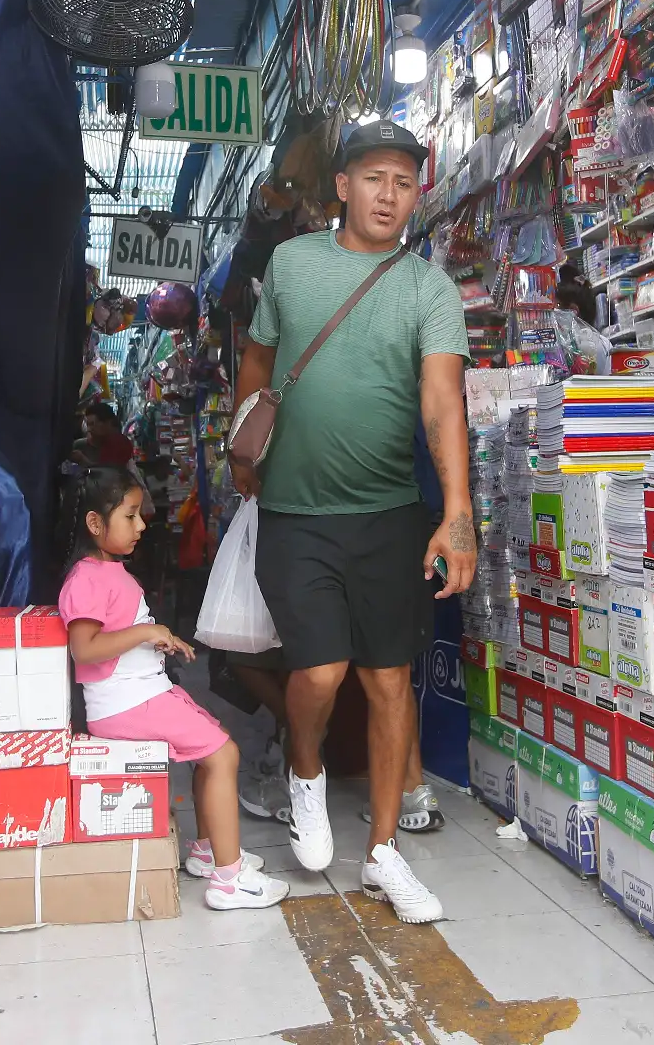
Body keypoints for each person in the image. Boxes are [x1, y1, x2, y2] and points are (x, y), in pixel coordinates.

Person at [232, 119, 476, 924]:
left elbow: (444, 402)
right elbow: (260, 362)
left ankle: (381, 854)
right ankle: (303, 773)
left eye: (404, 183)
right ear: (342, 186)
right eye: (373, 178)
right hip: (296, 511)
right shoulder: (293, 265)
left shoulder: (428, 288)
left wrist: (457, 514)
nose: (388, 195)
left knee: (388, 680)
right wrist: (242, 439)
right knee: (321, 672)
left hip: (387, 515)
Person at [59, 465, 290, 911]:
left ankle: (207, 851)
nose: (141, 525)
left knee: (211, 753)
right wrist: (148, 635)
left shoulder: (107, 571)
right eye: (130, 516)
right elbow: (84, 649)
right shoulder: (87, 579)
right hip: (127, 703)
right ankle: (229, 880)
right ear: (95, 523)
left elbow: (125, 628)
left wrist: (159, 637)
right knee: (224, 755)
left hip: (142, 695)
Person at [73, 401, 135, 467]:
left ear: (108, 423)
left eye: (92, 424)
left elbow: (110, 472)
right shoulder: (79, 445)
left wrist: (83, 460)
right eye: (87, 425)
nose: (88, 429)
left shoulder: (121, 444)